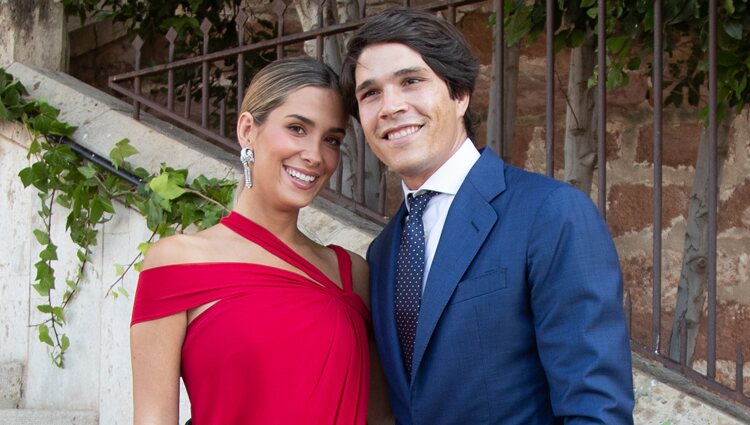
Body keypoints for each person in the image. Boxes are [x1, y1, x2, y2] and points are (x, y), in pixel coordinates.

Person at [340, 8, 635, 424]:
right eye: (370, 93)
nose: (390, 106)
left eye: (411, 81)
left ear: (459, 94)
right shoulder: (384, 251)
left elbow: (595, 409)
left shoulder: (549, 213)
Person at [130, 57, 392, 425]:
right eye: (297, 128)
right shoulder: (177, 262)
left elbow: (379, 417)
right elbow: (153, 418)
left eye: (331, 139)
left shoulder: (352, 273)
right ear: (247, 130)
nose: (315, 156)